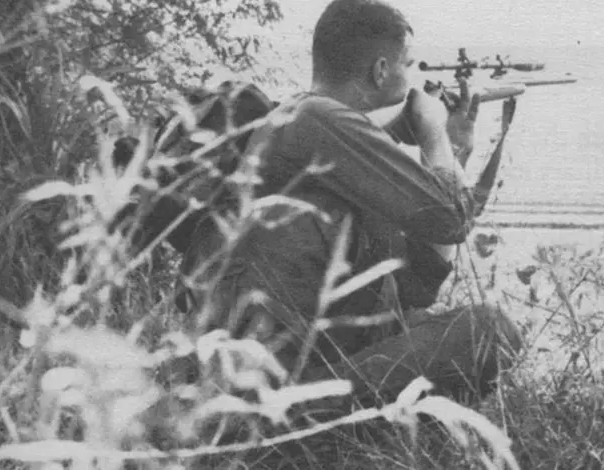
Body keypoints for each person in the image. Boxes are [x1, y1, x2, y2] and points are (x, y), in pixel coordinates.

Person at [170, 0, 523, 409]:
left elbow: (416, 288)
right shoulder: (317, 118)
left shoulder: (314, 130)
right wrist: (433, 133)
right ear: (380, 70)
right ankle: (305, 435)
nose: (411, 79)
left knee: (438, 326)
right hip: (268, 396)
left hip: (287, 374)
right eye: (407, 65)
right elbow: (452, 221)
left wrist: (451, 151)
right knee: (490, 330)